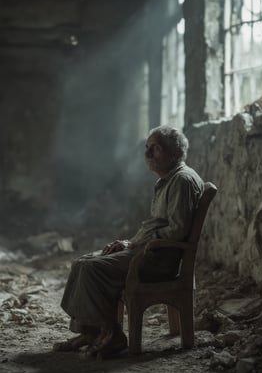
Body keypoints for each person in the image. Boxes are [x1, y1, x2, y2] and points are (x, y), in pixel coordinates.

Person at [53, 125, 204, 358]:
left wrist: (135, 246)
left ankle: (112, 334)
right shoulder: (168, 179)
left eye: (156, 149)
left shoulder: (181, 181)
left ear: (175, 153)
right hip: (147, 252)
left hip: (158, 260)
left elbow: (176, 232)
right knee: (82, 261)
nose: (147, 154)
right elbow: (159, 226)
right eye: (147, 148)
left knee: (92, 268)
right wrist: (129, 243)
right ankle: (90, 332)